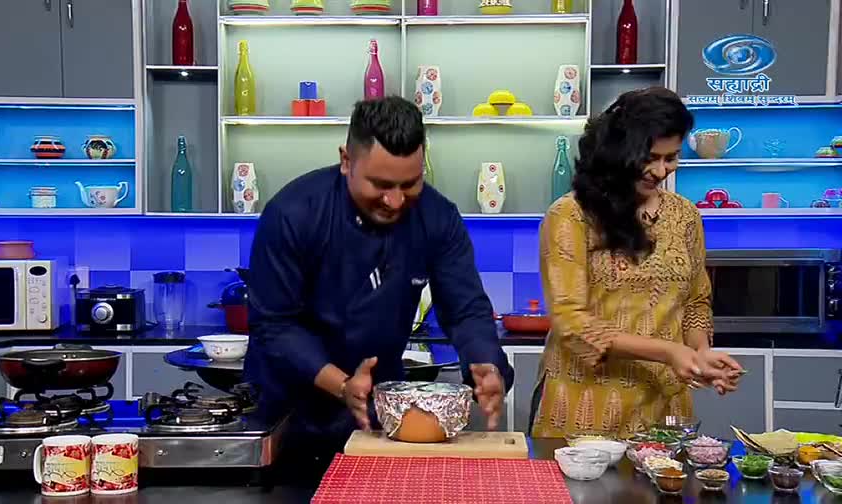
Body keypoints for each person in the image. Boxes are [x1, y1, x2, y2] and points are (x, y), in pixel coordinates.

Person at [244, 96, 515, 483]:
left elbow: (466, 308)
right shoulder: (293, 213)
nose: (395, 200)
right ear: (346, 160)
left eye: (411, 183)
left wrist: (485, 363)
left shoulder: (438, 218)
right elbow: (274, 325)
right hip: (287, 415)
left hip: (378, 417)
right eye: (381, 184)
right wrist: (341, 385)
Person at [531, 87, 743, 438]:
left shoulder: (685, 216)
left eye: (671, 158)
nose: (660, 171)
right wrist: (668, 352)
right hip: (583, 406)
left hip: (665, 409)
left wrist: (700, 354)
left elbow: (695, 302)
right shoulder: (571, 214)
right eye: (650, 157)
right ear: (620, 151)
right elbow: (570, 321)